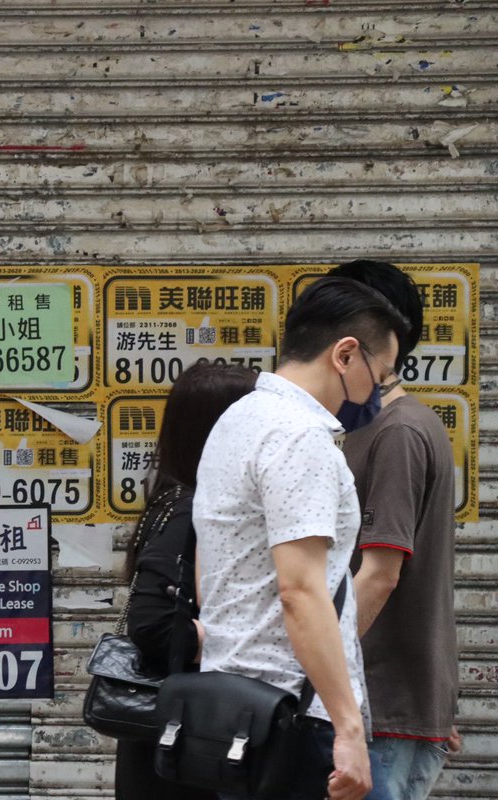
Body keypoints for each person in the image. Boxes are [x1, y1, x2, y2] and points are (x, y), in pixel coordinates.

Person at [193, 276, 410, 800]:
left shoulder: (237, 419)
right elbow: (302, 590)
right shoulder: (298, 437)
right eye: (379, 376)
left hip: (230, 709)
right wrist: (349, 728)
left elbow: (210, 570)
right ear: (345, 355)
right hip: (292, 718)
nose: (376, 394)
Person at [329, 260, 461, 799]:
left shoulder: (398, 431)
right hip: (374, 705)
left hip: (383, 710)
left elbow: (380, 575)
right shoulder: (365, 427)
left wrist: (311, 670)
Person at [116, 362, 257, 800]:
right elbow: (152, 622)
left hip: (176, 738)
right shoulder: (189, 508)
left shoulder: (178, 498)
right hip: (183, 742)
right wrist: (233, 641)